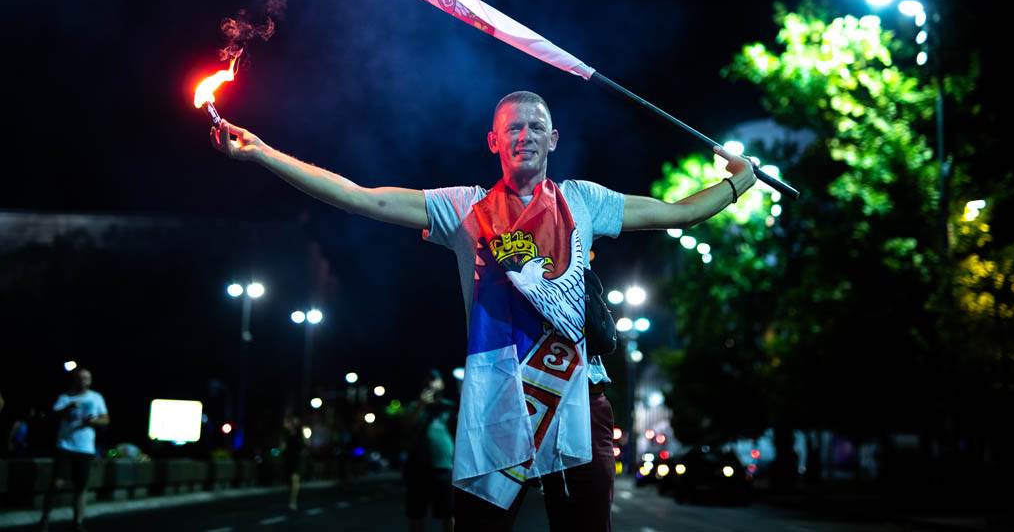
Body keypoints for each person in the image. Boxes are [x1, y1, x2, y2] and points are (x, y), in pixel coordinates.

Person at [210, 90, 757, 531]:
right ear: (493, 140)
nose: (525, 136)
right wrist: (263, 153)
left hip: (576, 395)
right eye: (514, 128)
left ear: (553, 139)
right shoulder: (463, 208)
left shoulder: (584, 201)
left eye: (536, 126)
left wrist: (738, 182)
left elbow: (677, 214)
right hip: (497, 398)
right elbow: (362, 196)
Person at [39, 368, 109, 532]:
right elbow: (52, 415)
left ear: (90, 381)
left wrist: (93, 421)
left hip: (86, 448)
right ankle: (45, 518)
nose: (84, 380)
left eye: (87, 378)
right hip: (65, 445)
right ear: (75, 380)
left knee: (81, 487)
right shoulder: (65, 397)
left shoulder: (96, 397)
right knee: (57, 483)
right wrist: (68, 408)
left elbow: (106, 419)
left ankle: (77, 523)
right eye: (81, 377)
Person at [404, 370, 455, 532]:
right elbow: (406, 426)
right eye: (428, 380)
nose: (431, 384)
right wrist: (421, 405)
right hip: (419, 468)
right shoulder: (415, 406)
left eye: (435, 380)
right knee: (416, 514)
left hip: (445, 468)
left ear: (442, 384)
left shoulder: (449, 407)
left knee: (448, 514)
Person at [281, 412, 306, 511]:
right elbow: (283, 446)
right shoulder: (285, 433)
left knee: (295, 479)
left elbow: (304, 444)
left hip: (296, 458)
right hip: (288, 458)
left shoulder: (300, 433)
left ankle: (293, 501)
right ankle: (290, 499)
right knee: (289, 481)